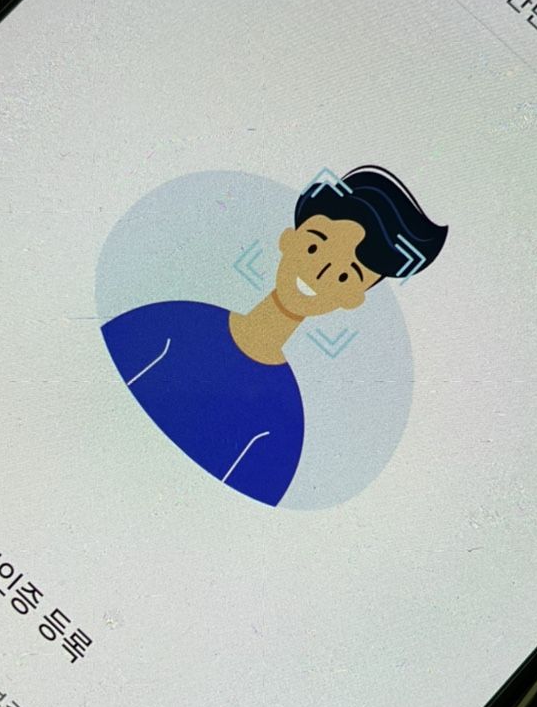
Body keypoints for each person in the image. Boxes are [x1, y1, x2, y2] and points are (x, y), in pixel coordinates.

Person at [101, 165, 448, 505]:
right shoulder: (174, 325)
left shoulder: (284, 420)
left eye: (345, 276)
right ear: (288, 240)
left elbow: (245, 502)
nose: (320, 273)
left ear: (351, 298)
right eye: (314, 248)